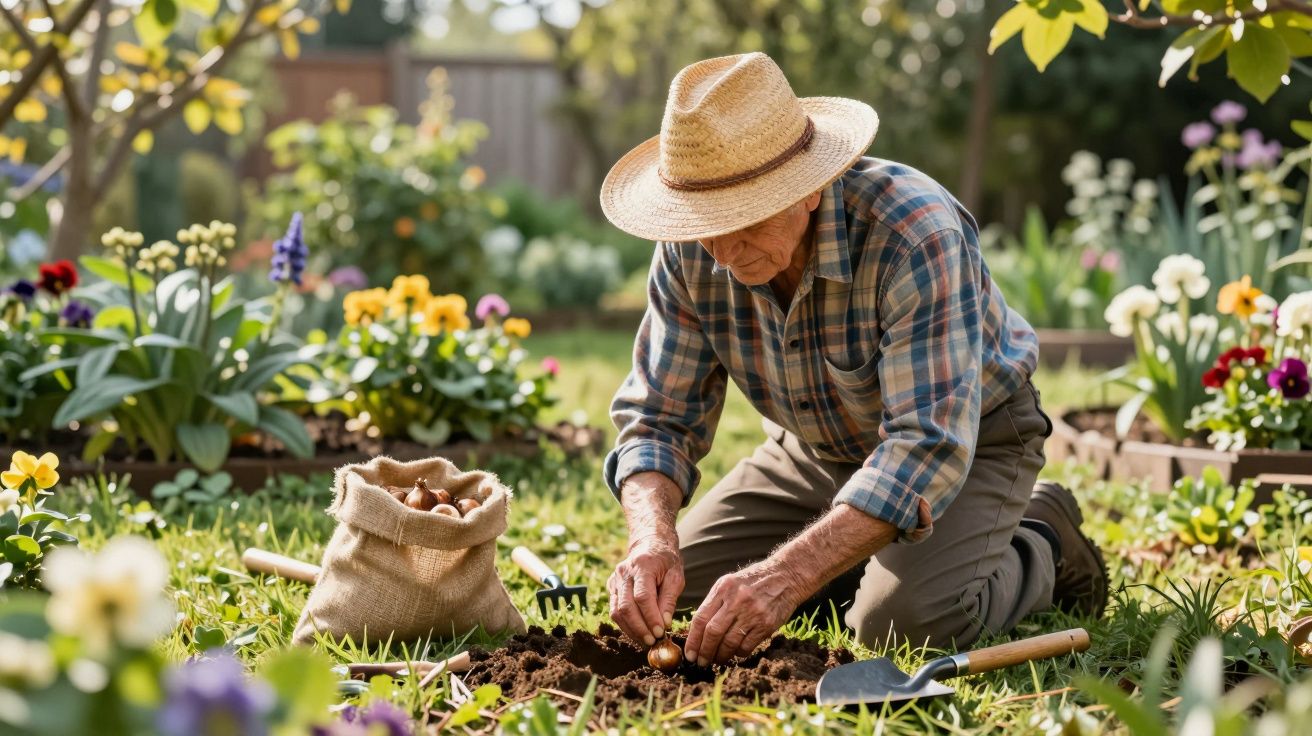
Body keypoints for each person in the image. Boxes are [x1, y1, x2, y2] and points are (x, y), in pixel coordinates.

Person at [597, 52, 1107, 668]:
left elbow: (923, 447)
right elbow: (658, 420)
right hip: (812, 449)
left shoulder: (914, 232)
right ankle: (862, 555)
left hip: (969, 443)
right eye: (706, 224)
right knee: (685, 601)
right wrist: (653, 539)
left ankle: (1043, 540)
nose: (723, 252)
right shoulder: (690, 248)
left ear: (809, 189)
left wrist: (787, 575)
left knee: (899, 627)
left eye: (745, 220)